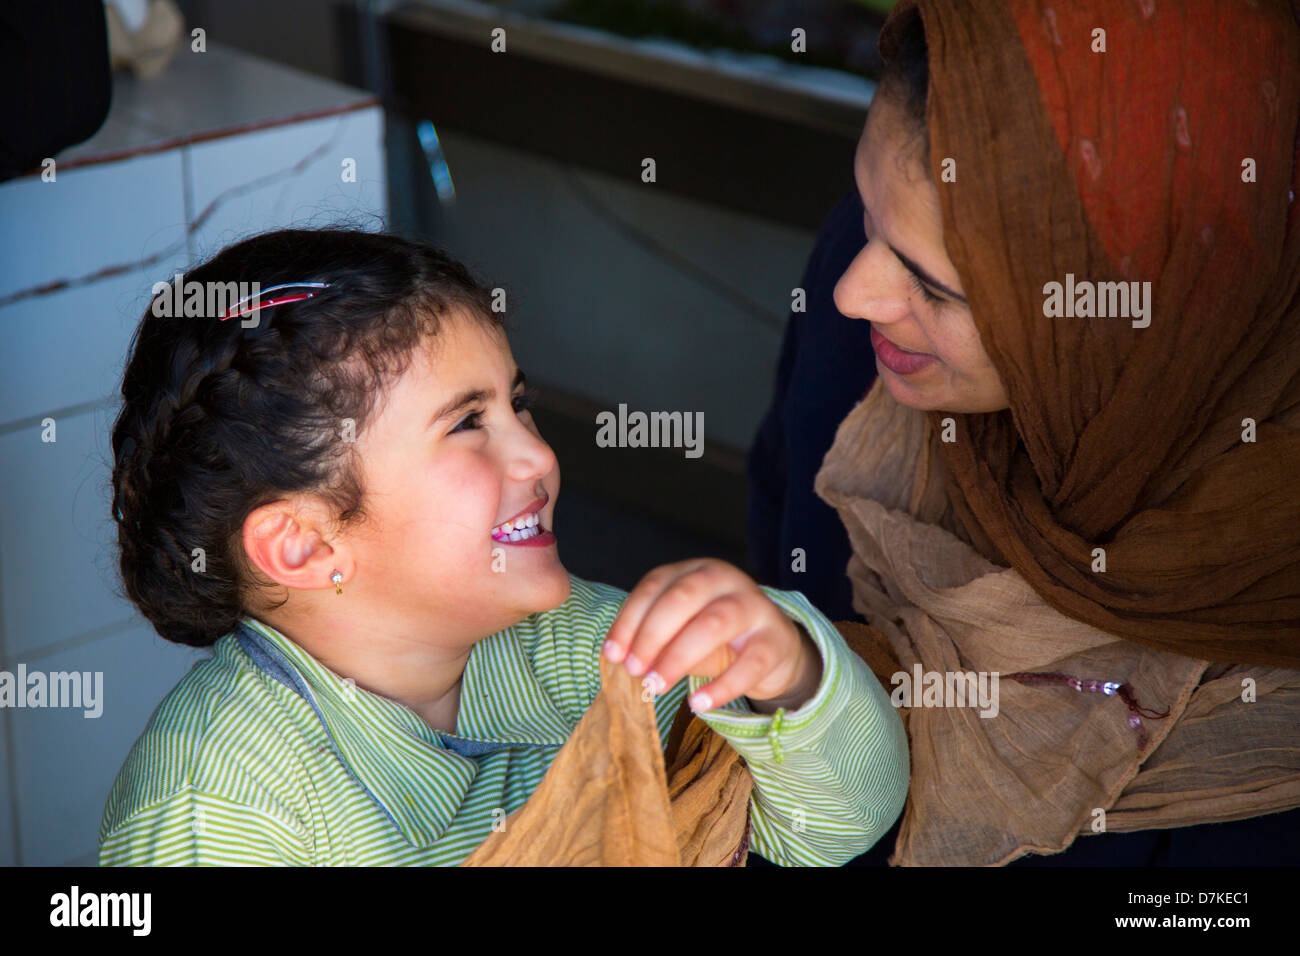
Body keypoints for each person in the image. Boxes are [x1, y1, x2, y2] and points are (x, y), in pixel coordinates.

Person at [98, 228, 909, 865]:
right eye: (467, 424)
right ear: (305, 546)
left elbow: (831, 832)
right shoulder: (214, 805)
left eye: (517, 406)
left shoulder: (576, 650)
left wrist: (788, 678)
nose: (538, 457)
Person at [749, 0, 1300, 865]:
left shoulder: (1262, 584)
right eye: (864, 215)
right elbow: (779, 534)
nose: (856, 293)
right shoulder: (861, 319)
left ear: (1129, 320)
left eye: (936, 288)